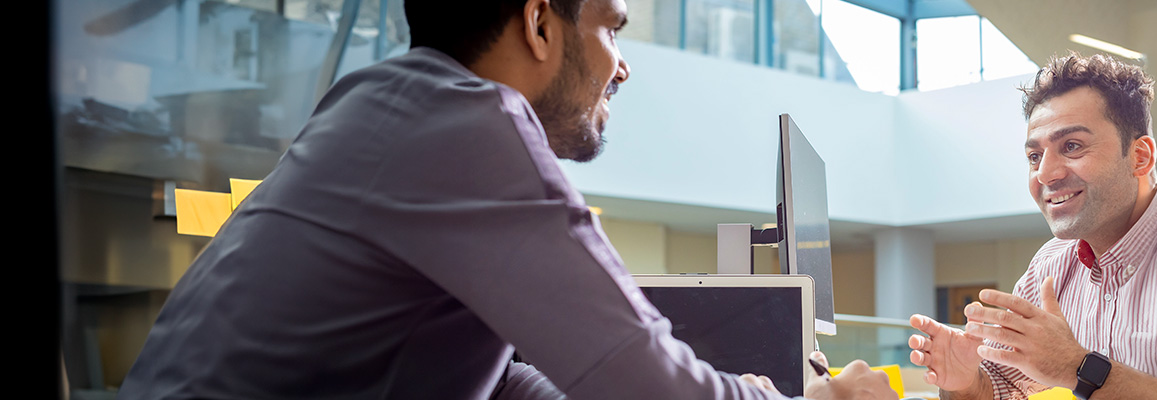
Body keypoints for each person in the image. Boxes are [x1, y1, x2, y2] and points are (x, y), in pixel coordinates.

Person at [115, 0, 896, 399]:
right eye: (612, 29)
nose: (620, 66)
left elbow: (502, 379)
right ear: (538, 22)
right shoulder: (469, 124)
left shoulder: (383, 101)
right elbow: (647, 385)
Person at [906, 53, 1157, 400]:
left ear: (1139, 156)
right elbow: (1003, 387)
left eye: (1072, 146)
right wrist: (964, 382)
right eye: (1034, 156)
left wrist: (1079, 369)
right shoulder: (1051, 266)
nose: (1045, 174)